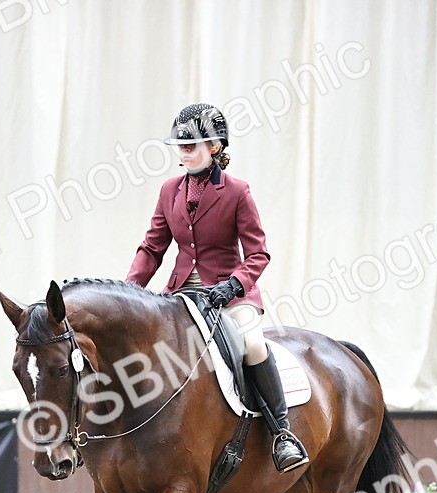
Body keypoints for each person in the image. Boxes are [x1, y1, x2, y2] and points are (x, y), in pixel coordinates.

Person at [126, 103, 308, 473]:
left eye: (191, 145)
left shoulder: (237, 192)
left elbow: (258, 254)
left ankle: (282, 433)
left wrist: (233, 285)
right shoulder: (169, 190)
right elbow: (153, 248)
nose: (183, 152)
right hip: (179, 295)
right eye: (180, 146)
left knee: (253, 344)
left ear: (215, 146)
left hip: (229, 296)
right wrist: (128, 291)